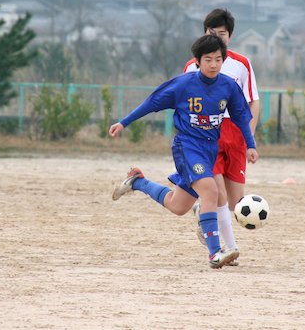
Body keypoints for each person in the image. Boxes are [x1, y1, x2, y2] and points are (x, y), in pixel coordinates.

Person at [110, 34, 259, 269]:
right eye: (208, 59)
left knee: (178, 206)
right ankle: (215, 253)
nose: (213, 64)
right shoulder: (183, 84)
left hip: (209, 149)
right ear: (197, 61)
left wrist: (250, 144)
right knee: (211, 191)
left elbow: (241, 116)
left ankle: (138, 181)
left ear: (224, 60)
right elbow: (151, 102)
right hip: (187, 146)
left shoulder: (228, 86)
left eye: (218, 59)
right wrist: (123, 122)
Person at [183, 8, 260, 264]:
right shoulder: (192, 66)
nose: (217, 37)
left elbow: (253, 102)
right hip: (209, 134)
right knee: (218, 195)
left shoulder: (242, 64)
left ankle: (203, 213)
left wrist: (250, 138)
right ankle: (229, 248)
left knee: (236, 202)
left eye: (222, 34)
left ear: (230, 36)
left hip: (236, 134)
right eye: (211, 33)